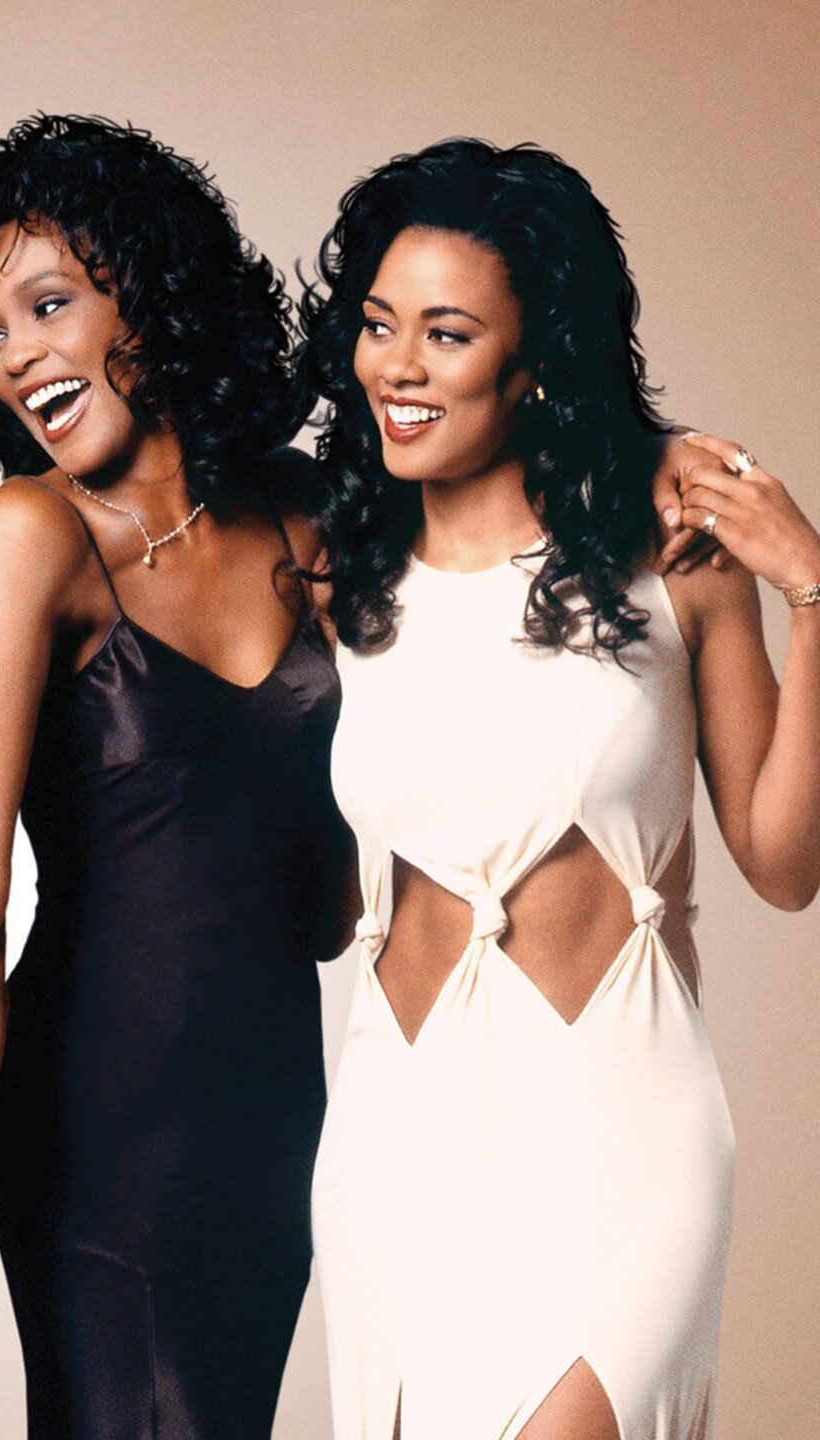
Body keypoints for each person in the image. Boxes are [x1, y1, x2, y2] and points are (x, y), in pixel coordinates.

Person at [0, 115, 354, 1439]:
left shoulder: (305, 512)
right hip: (102, 1112)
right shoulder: (31, 534)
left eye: (49, 305)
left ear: (152, 296)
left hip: (279, 1106)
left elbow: (340, 896)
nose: (16, 356)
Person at [303, 139, 820, 1440]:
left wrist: (814, 594)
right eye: (378, 325)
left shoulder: (673, 545)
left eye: (447, 333)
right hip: (400, 1127)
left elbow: (783, 862)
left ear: (538, 361)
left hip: (614, 1130)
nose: (397, 366)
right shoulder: (338, 574)